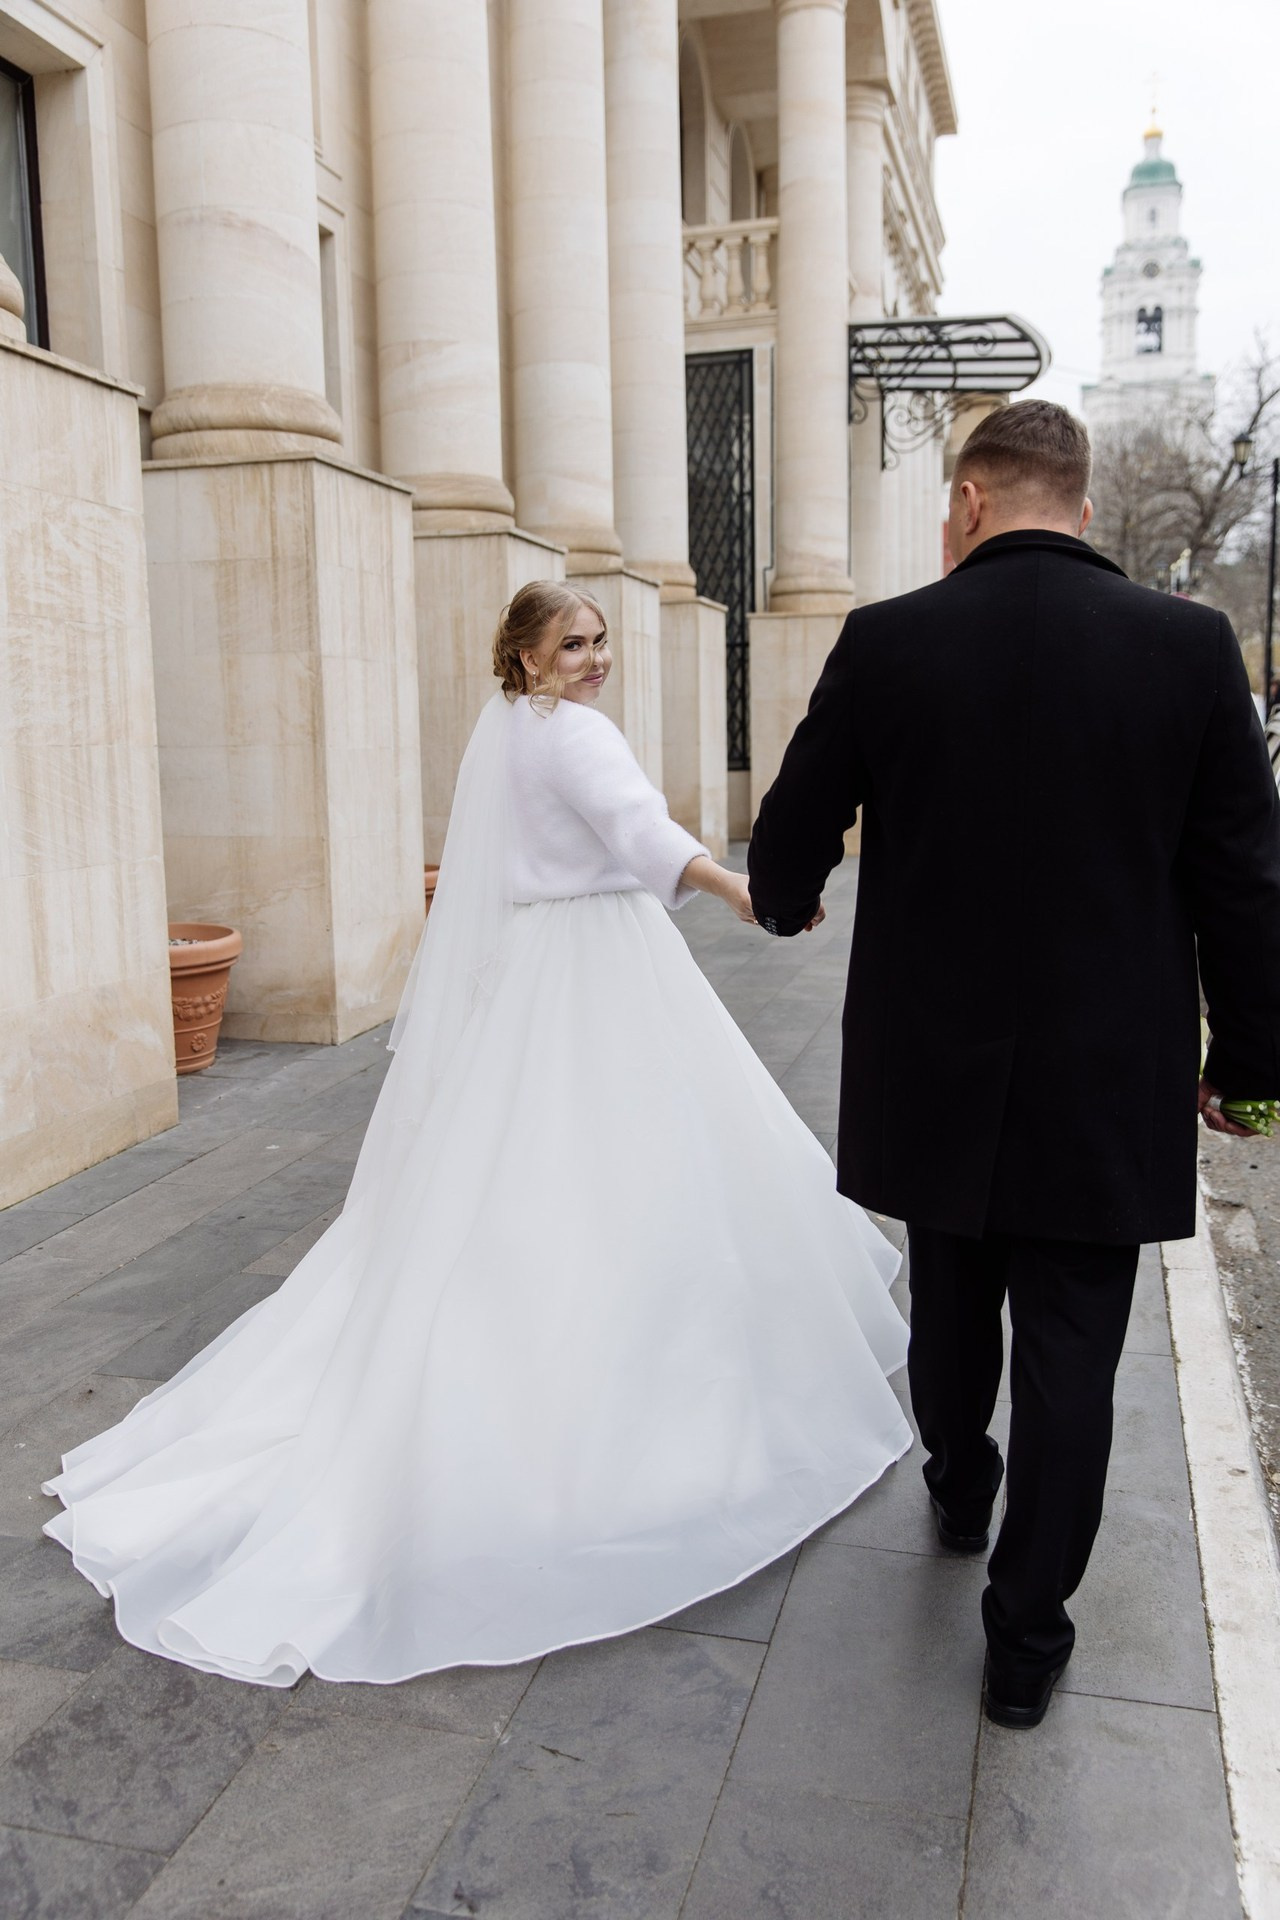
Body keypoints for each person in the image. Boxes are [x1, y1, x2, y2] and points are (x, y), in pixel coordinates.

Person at [42, 580, 911, 1687]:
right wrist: (734, 888)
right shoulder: (572, 733)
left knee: (529, 1172)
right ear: (526, 654)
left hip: (534, 970)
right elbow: (637, 829)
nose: (594, 659)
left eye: (599, 641)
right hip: (596, 963)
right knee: (633, 1168)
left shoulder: (504, 728)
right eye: (571, 643)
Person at [748, 400, 1280, 1729]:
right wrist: (1252, 1061)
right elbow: (1248, 886)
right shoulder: (1193, 645)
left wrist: (788, 897)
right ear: (1085, 507)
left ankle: (954, 1477)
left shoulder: (888, 640)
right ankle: (1029, 1639)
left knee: (949, 1299)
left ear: (972, 501)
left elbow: (791, 831)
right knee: (1073, 1361)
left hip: (936, 1063)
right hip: (1111, 1075)